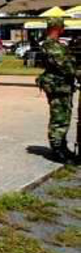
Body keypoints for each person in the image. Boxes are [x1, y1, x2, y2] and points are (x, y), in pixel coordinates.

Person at [37, 17, 77, 163]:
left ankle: (63, 147)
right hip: (57, 87)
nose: (63, 29)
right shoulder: (51, 46)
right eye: (62, 27)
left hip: (62, 87)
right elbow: (65, 66)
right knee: (59, 119)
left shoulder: (55, 45)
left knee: (64, 118)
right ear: (57, 28)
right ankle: (57, 150)